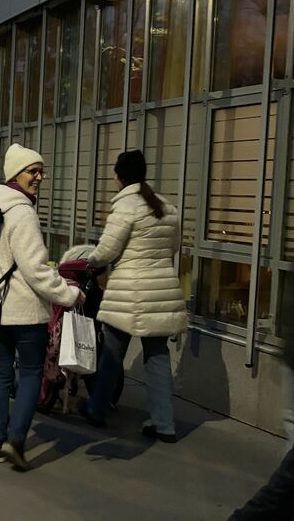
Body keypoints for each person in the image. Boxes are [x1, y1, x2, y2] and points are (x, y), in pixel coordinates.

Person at [0, 143, 84, 470]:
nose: (39, 177)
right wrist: (69, 295)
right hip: (23, 310)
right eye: (32, 171)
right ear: (16, 174)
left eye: (40, 171)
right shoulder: (22, 212)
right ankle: (16, 440)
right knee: (32, 372)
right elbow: (36, 269)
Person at [78, 150, 187, 442]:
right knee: (158, 357)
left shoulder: (126, 206)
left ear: (119, 176)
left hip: (129, 293)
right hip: (161, 293)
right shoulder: (167, 207)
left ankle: (97, 409)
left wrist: (90, 263)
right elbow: (173, 247)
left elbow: (106, 251)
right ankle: (165, 424)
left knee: (112, 352)